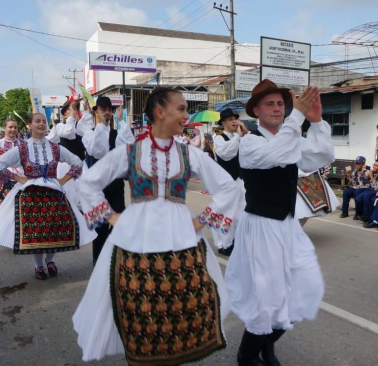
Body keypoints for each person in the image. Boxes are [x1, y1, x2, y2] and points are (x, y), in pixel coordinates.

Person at [73, 87, 239, 365]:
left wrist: (202, 220)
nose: (186, 115)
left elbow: (228, 188)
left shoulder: (189, 154)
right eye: (182, 108)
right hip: (137, 236)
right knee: (139, 307)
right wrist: (111, 217)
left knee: (181, 306)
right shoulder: (130, 152)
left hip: (180, 237)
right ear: (160, 112)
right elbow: (89, 182)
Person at [224, 80, 334, 366]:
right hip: (261, 226)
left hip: (285, 225)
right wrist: (297, 116)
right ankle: (247, 355)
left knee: (301, 290)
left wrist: (317, 121)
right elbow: (276, 155)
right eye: (270, 104)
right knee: (266, 297)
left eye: (281, 104)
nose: (277, 108)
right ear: (256, 111)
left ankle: (268, 343)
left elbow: (322, 156)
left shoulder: (291, 137)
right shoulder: (249, 142)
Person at [0, 113, 96, 280]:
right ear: (30, 125)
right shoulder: (21, 148)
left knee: (55, 230)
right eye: (37, 121)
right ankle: (38, 265)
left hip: (53, 195)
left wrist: (62, 180)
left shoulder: (56, 148)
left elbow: (77, 162)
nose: (41, 124)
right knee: (35, 233)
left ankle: (50, 261)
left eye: (43, 121)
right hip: (31, 196)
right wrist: (19, 178)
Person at [81, 96, 135, 265]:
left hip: (115, 184)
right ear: (96, 111)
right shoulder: (89, 133)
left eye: (108, 109)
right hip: (98, 187)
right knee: (100, 225)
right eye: (102, 109)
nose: (106, 112)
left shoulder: (117, 133)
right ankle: (98, 260)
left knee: (120, 222)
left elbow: (130, 146)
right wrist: (102, 125)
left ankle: (114, 255)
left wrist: (122, 122)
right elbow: (97, 151)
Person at [213, 108, 248, 256]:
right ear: (224, 123)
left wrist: (245, 133)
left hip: (240, 179)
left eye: (235, 118)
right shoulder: (219, 137)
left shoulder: (239, 136)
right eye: (230, 119)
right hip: (226, 181)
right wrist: (238, 137)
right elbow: (226, 154)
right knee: (226, 214)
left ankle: (237, 241)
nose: (234, 122)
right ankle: (224, 244)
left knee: (241, 213)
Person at [359, 159, 378, 225]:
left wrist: (371, 177)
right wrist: (363, 173)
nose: (374, 166)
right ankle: (361, 214)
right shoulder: (373, 172)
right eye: (374, 164)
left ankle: (367, 216)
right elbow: (362, 181)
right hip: (370, 189)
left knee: (367, 196)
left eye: (376, 165)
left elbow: (377, 187)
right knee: (358, 198)